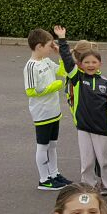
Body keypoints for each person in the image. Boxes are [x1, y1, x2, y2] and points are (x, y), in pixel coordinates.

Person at [54, 26, 107, 200]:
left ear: (99, 64)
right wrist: (62, 39)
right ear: (81, 65)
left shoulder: (105, 82)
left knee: (106, 162)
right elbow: (68, 60)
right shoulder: (77, 78)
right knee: (87, 163)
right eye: (87, 62)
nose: (90, 65)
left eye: (94, 62)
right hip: (84, 128)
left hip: (102, 128)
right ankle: (89, 190)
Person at [25, 28, 70, 190]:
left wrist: (60, 56)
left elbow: (63, 71)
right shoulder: (31, 66)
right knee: (43, 146)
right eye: (50, 45)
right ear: (39, 46)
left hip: (54, 111)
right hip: (42, 113)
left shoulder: (46, 61)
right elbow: (31, 90)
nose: (52, 48)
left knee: (53, 145)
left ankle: (54, 174)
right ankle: (44, 180)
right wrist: (53, 87)